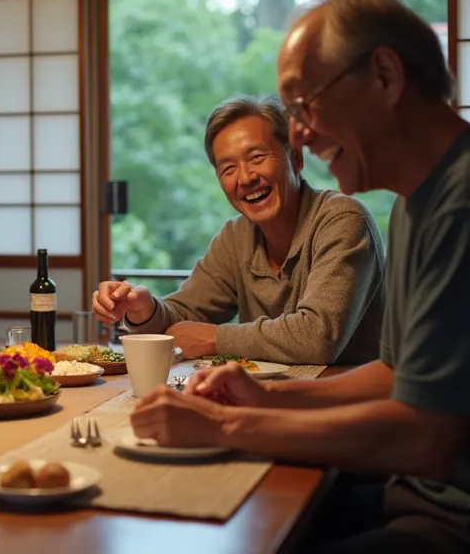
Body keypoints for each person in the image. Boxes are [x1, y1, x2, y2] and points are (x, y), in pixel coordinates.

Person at [130, 0, 470, 553]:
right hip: (426, 497)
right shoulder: (421, 200)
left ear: (385, 76)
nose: (302, 135)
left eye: (304, 106)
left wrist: (226, 428)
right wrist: (265, 398)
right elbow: (394, 372)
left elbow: (427, 437)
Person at [92, 94, 385, 365]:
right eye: (228, 168)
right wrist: (144, 309)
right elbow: (181, 320)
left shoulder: (343, 220)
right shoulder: (236, 236)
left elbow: (318, 336)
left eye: (257, 157)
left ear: (295, 159)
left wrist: (213, 338)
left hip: (348, 408)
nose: (245, 178)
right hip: (266, 401)